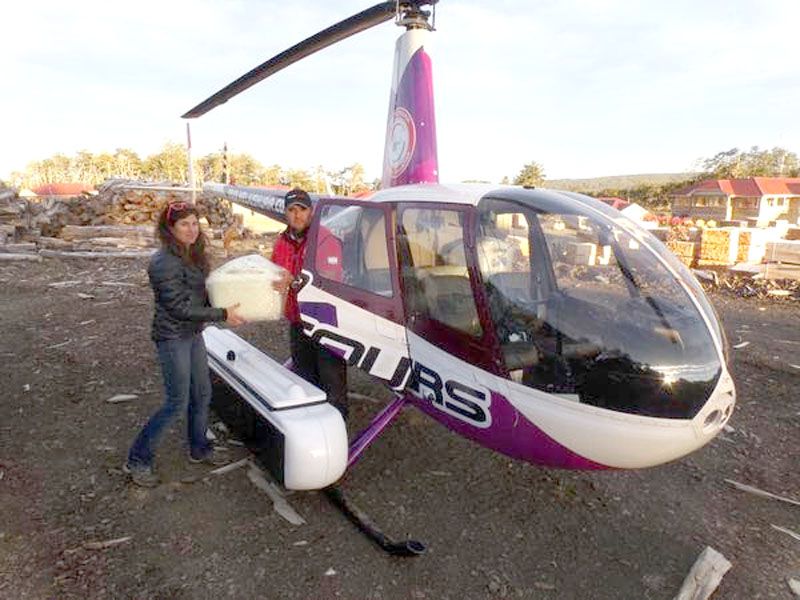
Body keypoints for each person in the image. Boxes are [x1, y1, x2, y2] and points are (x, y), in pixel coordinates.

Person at [124, 201, 246, 487]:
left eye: (195, 223)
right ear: (170, 228)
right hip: (172, 337)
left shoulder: (194, 255)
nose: (192, 230)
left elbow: (200, 296)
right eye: (184, 224)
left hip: (192, 333)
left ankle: (198, 447)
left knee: (202, 393)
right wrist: (222, 314)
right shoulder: (163, 263)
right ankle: (137, 459)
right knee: (176, 402)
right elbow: (178, 307)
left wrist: (232, 295)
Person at [271, 188, 348, 420]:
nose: (297, 215)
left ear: (311, 212)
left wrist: (293, 282)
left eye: (302, 209)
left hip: (325, 323)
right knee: (304, 379)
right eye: (291, 210)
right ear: (285, 212)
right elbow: (273, 273)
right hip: (297, 322)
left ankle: (337, 429)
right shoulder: (282, 242)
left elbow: (328, 281)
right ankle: (312, 428)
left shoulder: (325, 239)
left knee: (332, 382)